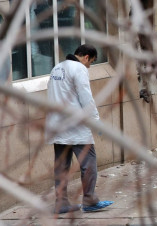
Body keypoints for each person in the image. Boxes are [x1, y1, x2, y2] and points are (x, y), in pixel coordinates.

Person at [45, 44, 113, 214]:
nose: (89, 66)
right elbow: (86, 97)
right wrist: (96, 121)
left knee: (61, 166)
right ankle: (89, 199)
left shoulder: (56, 68)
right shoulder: (79, 68)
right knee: (88, 162)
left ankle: (61, 203)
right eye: (91, 62)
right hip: (75, 125)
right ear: (86, 57)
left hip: (56, 125)